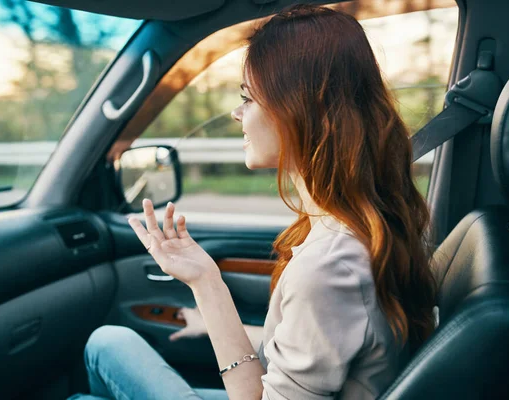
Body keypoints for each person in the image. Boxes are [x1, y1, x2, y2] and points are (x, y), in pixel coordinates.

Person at [67, 3, 436, 400]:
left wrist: (208, 288)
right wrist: (207, 284)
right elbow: (321, 340)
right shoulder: (366, 224)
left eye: (248, 97)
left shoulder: (330, 266)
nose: (236, 113)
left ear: (301, 109)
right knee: (108, 343)